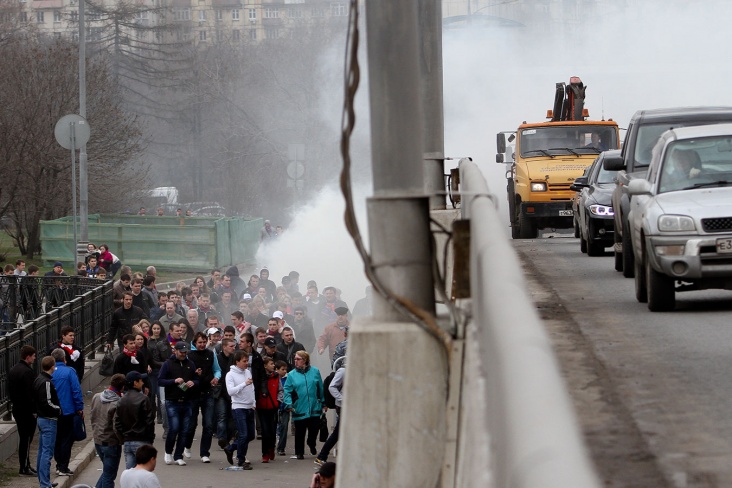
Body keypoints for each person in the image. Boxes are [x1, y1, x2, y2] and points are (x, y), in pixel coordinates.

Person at [157, 341, 198, 466]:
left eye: (185, 352)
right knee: (174, 428)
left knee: (184, 430)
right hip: (172, 401)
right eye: (181, 352)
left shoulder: (190, 364)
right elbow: (160, 380)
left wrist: (194, 382)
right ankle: (168, 452)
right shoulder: (168, 364)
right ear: (175, 351)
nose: (183, 354)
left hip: (187, 401)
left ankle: (178, 455)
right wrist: (174, 381)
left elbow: (196, 378)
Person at [184, 332, 220, 463]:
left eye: (204, 342)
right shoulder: (189, 355)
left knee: (209, 424)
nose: (202, 345)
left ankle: (204, 453)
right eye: (200, 342)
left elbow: (217, 369)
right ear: (195, 343)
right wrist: (194, 373)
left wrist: (217, 377)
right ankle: (187, 446)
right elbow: (185, 372)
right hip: (193, 393)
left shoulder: (210, 354)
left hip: (208, 392)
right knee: (191, 424)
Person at [283, 351, 325, 460]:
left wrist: (323, 402)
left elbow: (320, 387)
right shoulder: (291, 374)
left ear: (305, 360)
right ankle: (299, 452)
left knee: (314, 429)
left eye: (298, 359)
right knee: (300, 431)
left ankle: (311, 443)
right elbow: (287, 390)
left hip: (314, 406)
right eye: (295, 359)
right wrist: (289, 403)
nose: (295, 361)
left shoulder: (315, 371)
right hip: (299, 406)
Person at [50, 348, 84, 477]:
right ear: (64, 358)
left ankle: (58, 464)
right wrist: (79, 407)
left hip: (53, 411)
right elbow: (76, 390)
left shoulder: (49, 373)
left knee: (57, 438)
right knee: (67, 439)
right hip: (68, 410)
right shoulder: (70, 371)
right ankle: (63, 466)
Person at [115, 371, 156, 469]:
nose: (142, 383)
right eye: (141, 381)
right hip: (142, 440)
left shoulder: (121, 400)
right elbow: (149, 421)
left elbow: (117, 422)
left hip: (128, 441)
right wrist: (150, 438)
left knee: (130, 472)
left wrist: (124, 437)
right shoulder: (144, 399)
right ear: (135, 383)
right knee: (143, 472)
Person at [91, 373, 126, 488]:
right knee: (109, 475)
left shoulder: (96, 397)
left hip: (98, 440)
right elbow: (116, 425)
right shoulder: (117, 403)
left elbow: (93, 416)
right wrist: (122, 440)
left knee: (107, 472)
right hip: (111, 442)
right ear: (122, 387)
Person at [9, 345, 38, 476]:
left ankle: (26, 465)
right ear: (28, 357)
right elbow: (30, 394)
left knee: (24, 438)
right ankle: (24, 467)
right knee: (26, 439)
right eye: (33, 356)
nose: (34, 358)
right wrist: (34, 411)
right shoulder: (27, 372)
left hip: (17, 408)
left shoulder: (14, 369)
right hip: (26, 411)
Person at [223, 350, 255, 469]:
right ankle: (241, 460)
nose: (246, 363)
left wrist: (254, 402)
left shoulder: (247, 372)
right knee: (243, 434)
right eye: (244, 361)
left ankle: (230, 448)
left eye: (247, 361)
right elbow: (230, 391)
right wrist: (244, 384)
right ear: (237, 362)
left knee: (250, 435)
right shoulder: (230, 375)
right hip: (238, 407)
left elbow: (252, 388)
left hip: (249, 406)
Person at [34, 355, 61, 488]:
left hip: (41, 419)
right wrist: (58, 410)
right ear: (52, 367)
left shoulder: (38, 379)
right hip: (48, 420)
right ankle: (45, 483)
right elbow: (47, 402)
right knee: (47, 452)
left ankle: (43, 480)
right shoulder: (46, 382)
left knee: (41, 451)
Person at [315, 350, 346, 465]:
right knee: (338, 432)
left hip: (351, 407)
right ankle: (322, 455)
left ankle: (322, 455)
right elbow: (332, 387)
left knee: (340, 432)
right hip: (343, 407)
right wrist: (343, 399)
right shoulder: (343, 371)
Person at [256, 356, 283, 463]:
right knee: (265, 431)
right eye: (271, 364)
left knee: (272, 430)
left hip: (273, 407)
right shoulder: (259, 377)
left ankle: (272, 447)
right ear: (265, 366)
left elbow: (280, 390)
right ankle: (265, 453)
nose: (273, 366)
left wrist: (278, 401)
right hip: (261, 407)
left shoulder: (276, 376)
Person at [215, 337, 236, 449]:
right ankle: (222, 438)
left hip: (232, 392)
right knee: (222, 416)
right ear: (224, 347)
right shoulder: (217, 359)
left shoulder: (235, 359)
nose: (234, 348)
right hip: (221, 392)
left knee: (232, 416)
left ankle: (228, 437)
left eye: (234, 346)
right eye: (231, 346)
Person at [275, 360, 290, 456]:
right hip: (274, 407)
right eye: (282, 369)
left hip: (285, 407)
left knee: (284, 427)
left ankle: (281, 448)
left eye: (286, 369)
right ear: (277, 370)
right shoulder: (273, 378)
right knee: (275, 427)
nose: (285, 371)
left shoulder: (288, 379)